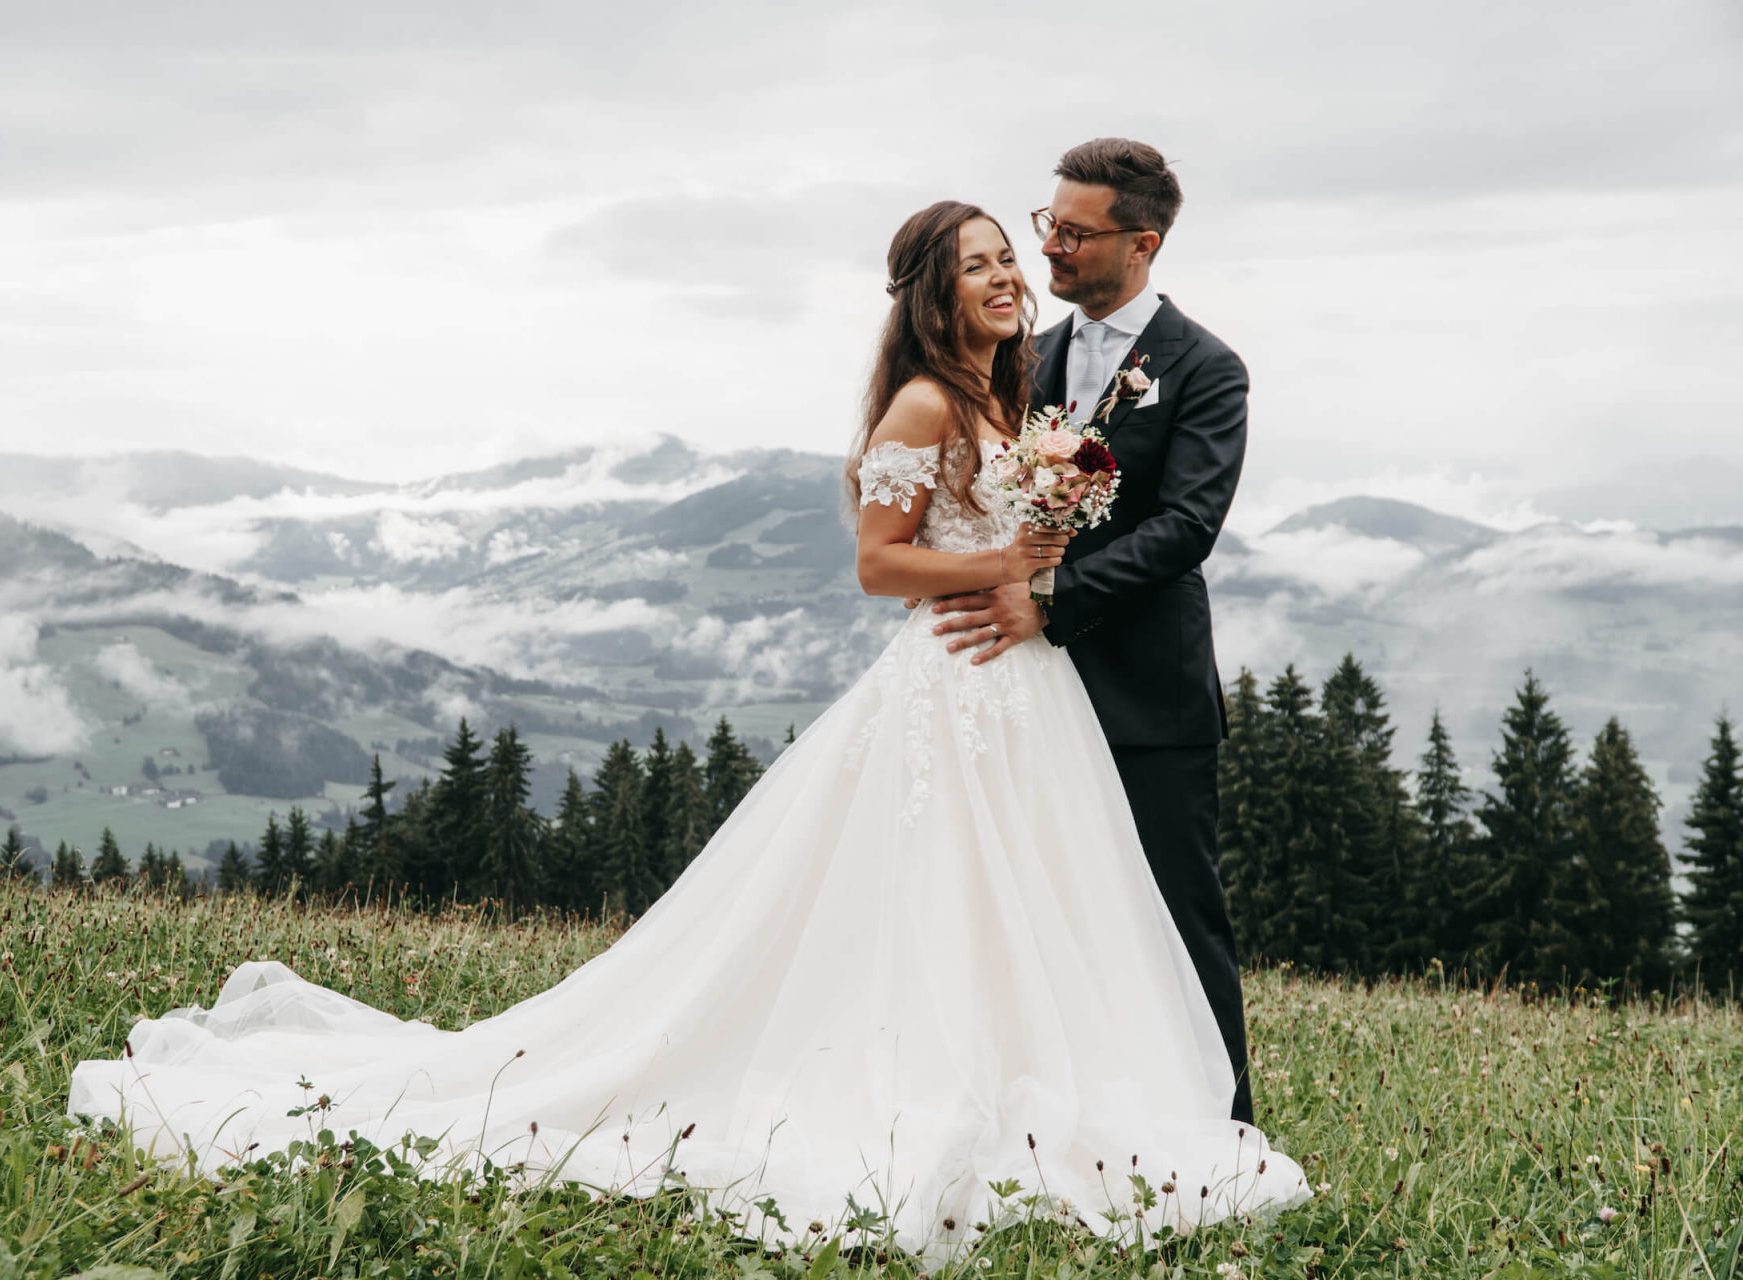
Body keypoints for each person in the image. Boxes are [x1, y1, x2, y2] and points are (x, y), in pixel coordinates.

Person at [68, 198, 1306, 1265]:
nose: (1006, 274)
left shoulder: (1010, 390)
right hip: (952, 677)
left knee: (1029, 896)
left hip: (1025, 690)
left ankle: (1059, 1089)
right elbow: (878, 565)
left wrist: (1046, 548)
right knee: (929, 893)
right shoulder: (928, 403)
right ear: (933, 292)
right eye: (979, 261)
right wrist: (1001, 559)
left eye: (1009, 256)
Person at [926, 139, 1257, 1124]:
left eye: (1075, 233)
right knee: (1041, 907)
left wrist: (1054, 597)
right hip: (1027, 685)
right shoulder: (1029, 359)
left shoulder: (1206, 368)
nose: (1052, 249)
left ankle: (1225, 1127)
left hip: (1144, 696)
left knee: (1175, 915)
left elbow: (1185, 528)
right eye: (1049, 226)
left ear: (1142, 244)